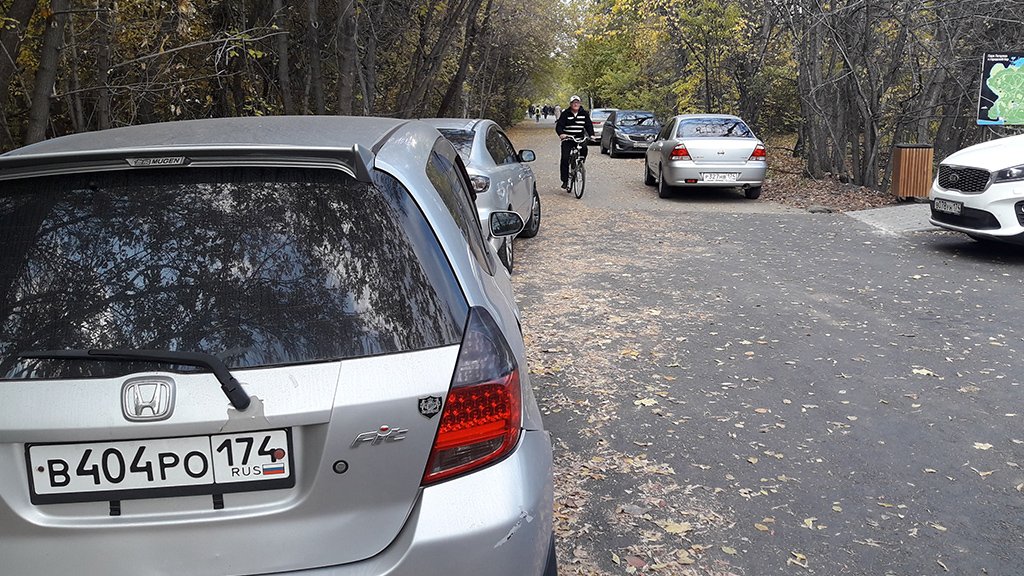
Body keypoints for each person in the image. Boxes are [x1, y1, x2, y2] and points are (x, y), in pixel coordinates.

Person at [555, 95, 595, 189]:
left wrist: (591, 135)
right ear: (571, 104)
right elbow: (559, 126)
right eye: (574, 102)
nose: (575, 104)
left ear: (579, 104)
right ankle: (565, 180)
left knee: (584, 148)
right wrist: (561, 134)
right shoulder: (566, 113)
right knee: (565, 158)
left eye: (577, 102)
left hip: (579, 138)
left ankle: (580, 163)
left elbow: (588, 125)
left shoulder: (584, 113)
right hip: (568, 139)